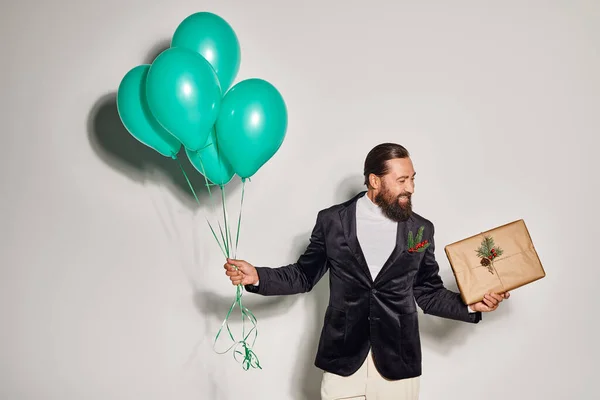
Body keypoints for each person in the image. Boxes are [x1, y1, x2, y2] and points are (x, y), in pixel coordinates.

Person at [223, 143, 509, 400]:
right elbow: (303, 275)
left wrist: (471, 303)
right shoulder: (332, 221)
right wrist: (258, 276)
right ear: (374, 181)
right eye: (401, 180)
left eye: (412, 179)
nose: (410, 187)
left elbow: (427, 291)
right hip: (343, 357)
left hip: (398, 361)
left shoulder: (421, 229)